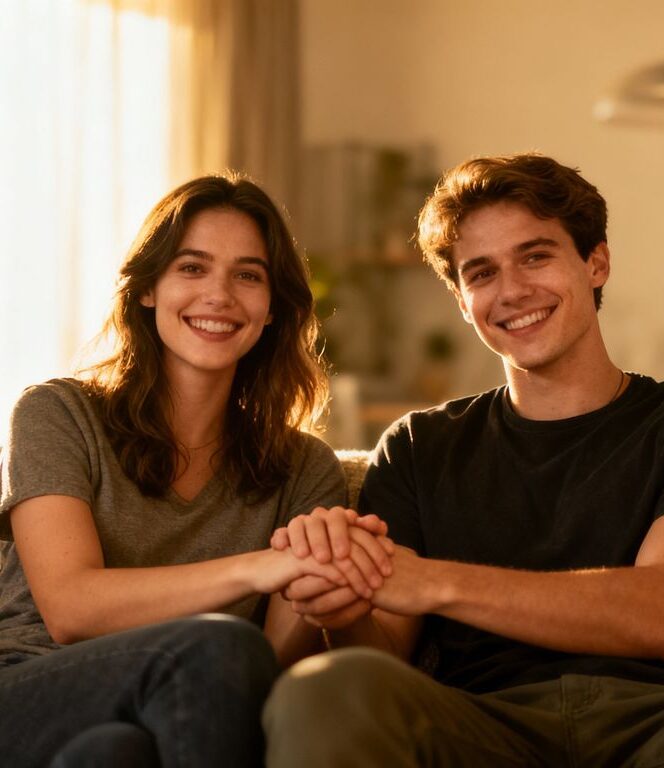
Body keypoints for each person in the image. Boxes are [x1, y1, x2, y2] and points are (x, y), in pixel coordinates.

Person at [262, 153, 664, 767]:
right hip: (486, 730)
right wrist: (345, 605)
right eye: (481, 273)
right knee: (325, 690)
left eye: (536, 256)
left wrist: (435, 580)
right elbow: (382, 660)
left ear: (595, 263)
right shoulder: (418, 445)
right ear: (463, 302)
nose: (512, 291)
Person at [0, 173, 391, 768]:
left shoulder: (303, 469)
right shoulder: (58, 413)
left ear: (272, 309)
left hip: (181, 715)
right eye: (192, 267)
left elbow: (268, 663)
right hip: (29, 687)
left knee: (113, 755)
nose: (220, 295)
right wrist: (264, 566)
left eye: (248, 275)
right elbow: (71, 609)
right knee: (215, 647)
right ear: (148, 289)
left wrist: (323, 581)